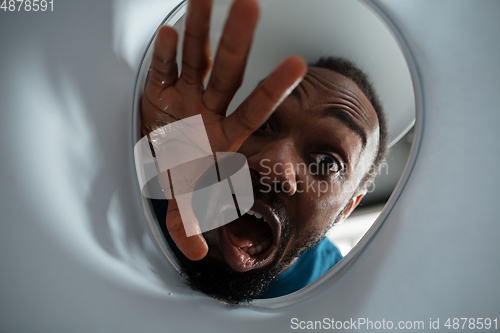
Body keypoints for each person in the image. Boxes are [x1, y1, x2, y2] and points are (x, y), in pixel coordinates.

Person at [141, 0, 388, 305]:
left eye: (326, 162)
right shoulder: (161, 176)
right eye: (263, 124)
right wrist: (146, 147)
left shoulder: (340, 298)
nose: (275, 164)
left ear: (347, 208)